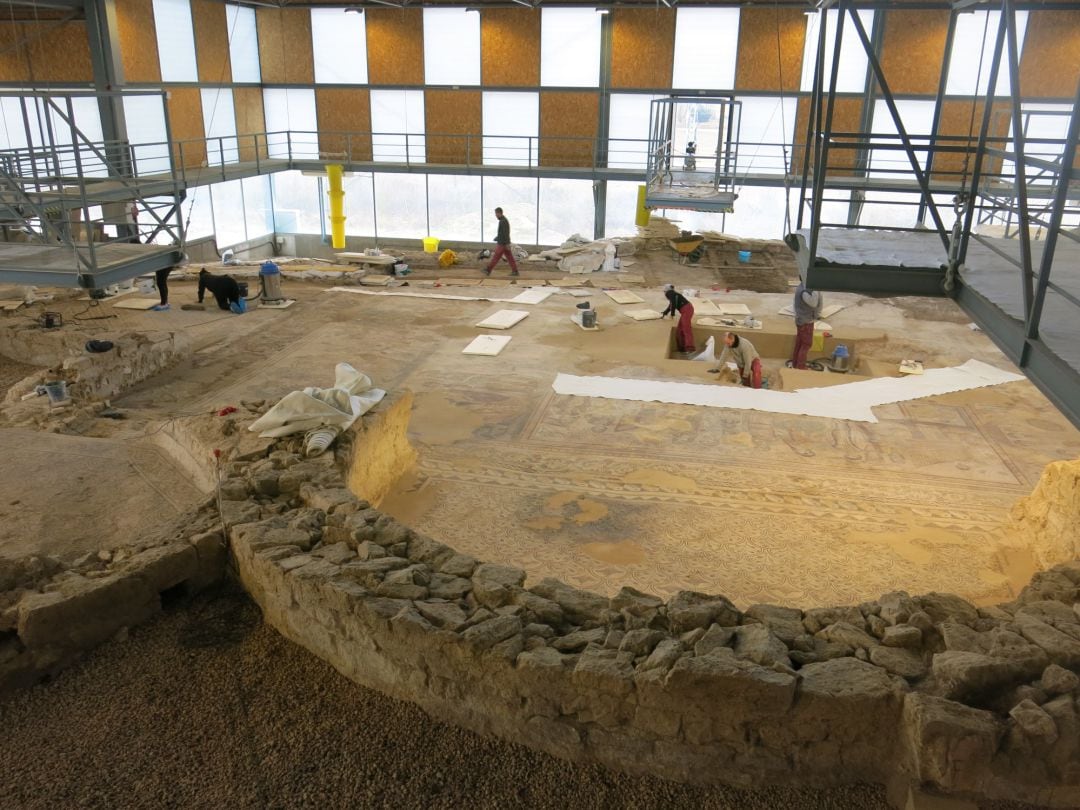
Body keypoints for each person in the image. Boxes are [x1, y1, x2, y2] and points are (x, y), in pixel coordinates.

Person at [789, 281, 823, 370]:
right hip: (805, 321)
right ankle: (800, 367)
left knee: (800, 343)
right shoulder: (805, 291)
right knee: (806, 344)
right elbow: (814, 303)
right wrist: (816, 290)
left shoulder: (801, 286)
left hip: (801, 319)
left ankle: (796, 364)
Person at [483, 207, 518, 277]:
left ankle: (488, 270)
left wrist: (507, 243)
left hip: (503, 243)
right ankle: (515, 271)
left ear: (499, 213)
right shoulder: (503, 220)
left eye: (496, 214)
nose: (495, 215)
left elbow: (505, 233)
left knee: (496, 257)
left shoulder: (503, 221)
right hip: (504, 242)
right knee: (510, 257)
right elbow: (502, 233)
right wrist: (497, 237)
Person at [661, 283, 696, 353]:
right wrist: (665, 312)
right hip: (687, 309)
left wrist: (672, 314)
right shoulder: (673, 294)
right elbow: (671, 304)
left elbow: (673, 303)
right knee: (680, 330)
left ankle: (690, 348)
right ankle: (682, 349)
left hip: (687, 310)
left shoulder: (669, 293)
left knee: (686, 328)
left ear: (666, 290)